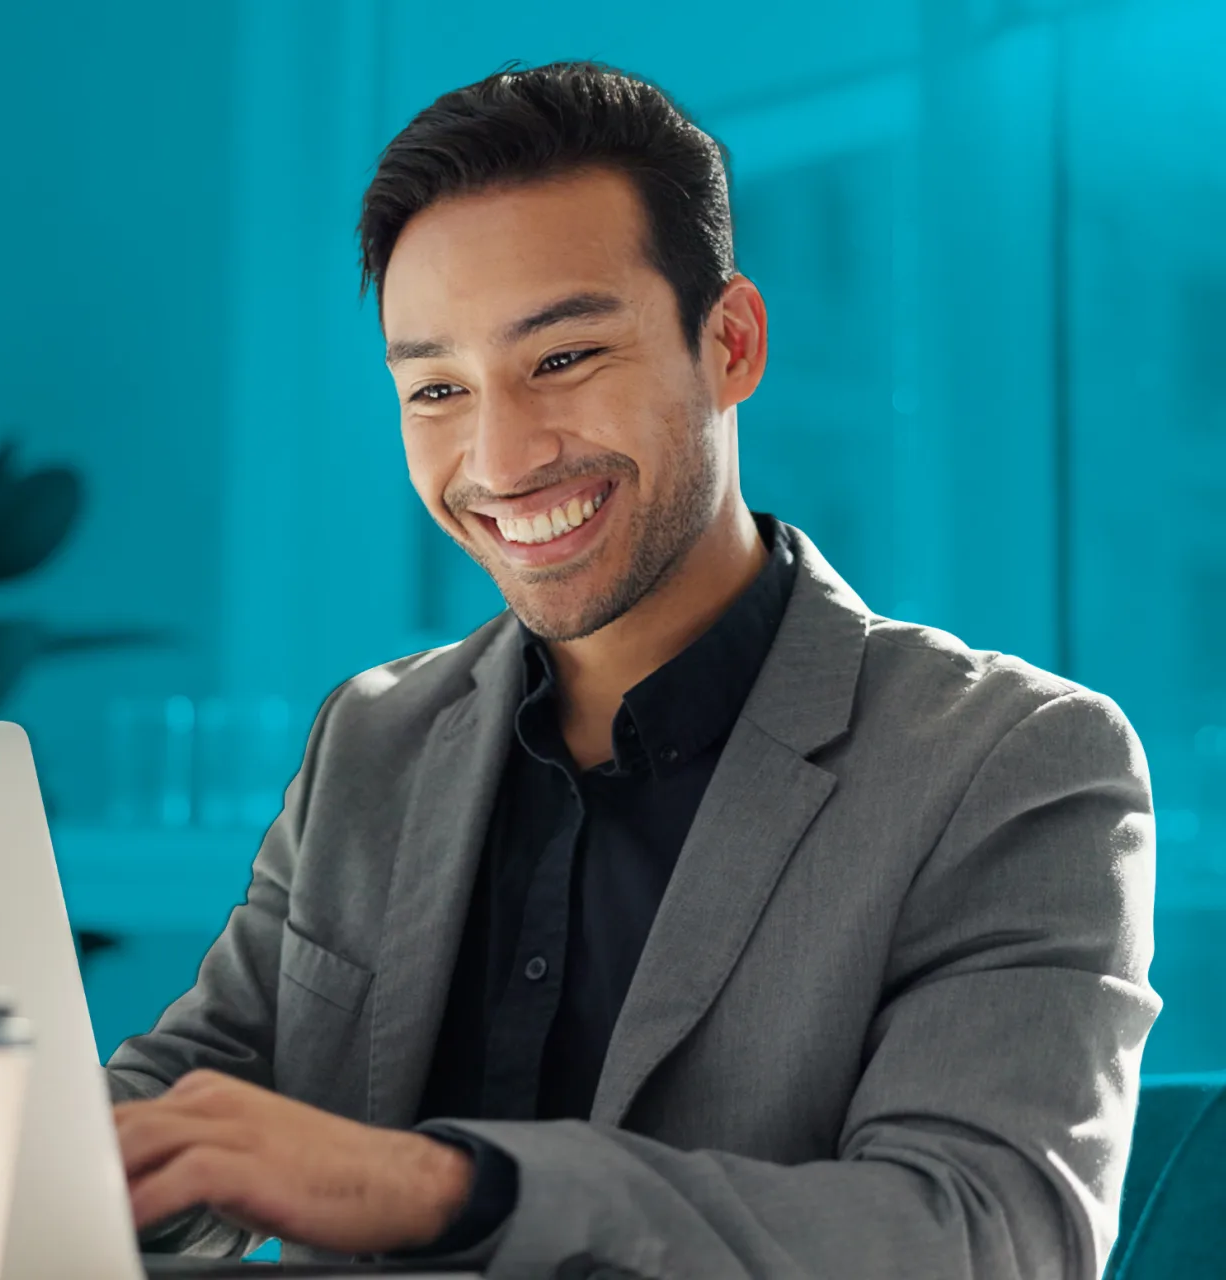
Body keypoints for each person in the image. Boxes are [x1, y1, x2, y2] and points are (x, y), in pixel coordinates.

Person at [103, 61, 1155, 1279]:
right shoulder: (375, 737)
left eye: (562, 360)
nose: (499, 458)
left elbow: (983, 1236)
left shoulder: (1011, 763)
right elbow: (184, 1120)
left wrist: (446, 1188)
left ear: (733, 344)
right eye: (436, 388)